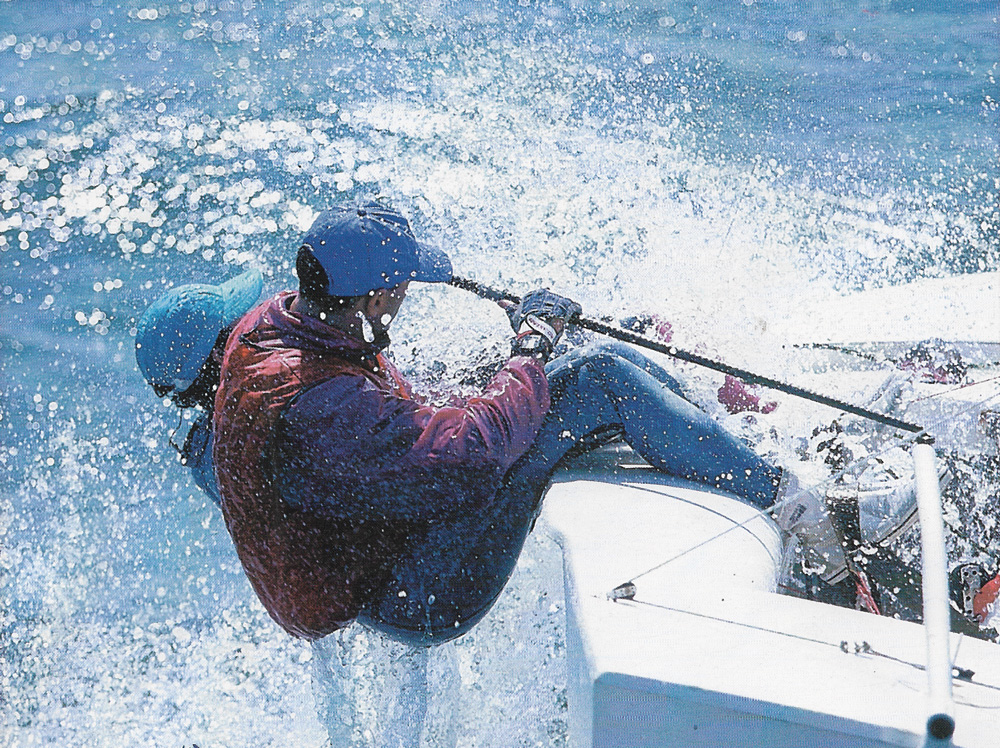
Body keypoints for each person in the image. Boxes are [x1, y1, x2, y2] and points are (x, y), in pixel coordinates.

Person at [209, 201, 921, 648]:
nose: (403, 302)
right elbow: (465, 457)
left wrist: (514, 358)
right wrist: (527, 349)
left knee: (594, 354)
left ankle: (746, 445)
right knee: (593, 379)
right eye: (397, 291)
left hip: (389, 531)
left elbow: (389, 426)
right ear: (363, 298)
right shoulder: (324, 405)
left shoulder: (285, 322)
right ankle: (802, 507)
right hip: (416, 589)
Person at [134, 269, 265, 505]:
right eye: (243, 320)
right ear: (220, 353)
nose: (256, 318)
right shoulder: (272, 420)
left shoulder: (207, 453)